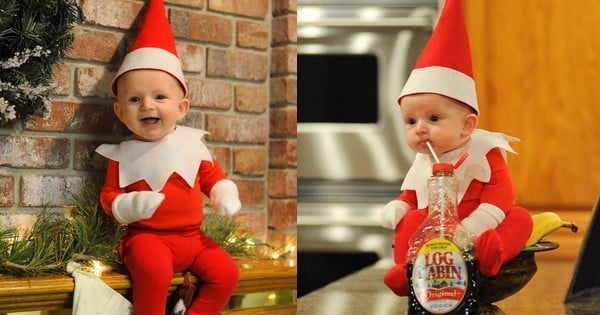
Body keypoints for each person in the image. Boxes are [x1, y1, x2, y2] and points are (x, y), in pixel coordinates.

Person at [379, 0, 533, 297]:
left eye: (433, 118)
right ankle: (406, 270)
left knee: (520, 219)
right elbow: (412, 194)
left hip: (477, 226)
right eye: (410, 121)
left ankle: (492, 256)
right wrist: (400, 205)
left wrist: (475, 227)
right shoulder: (422, 160)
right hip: (436, 233)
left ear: (467, 125)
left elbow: (502, 194)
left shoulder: (485, 152)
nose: (419, 128)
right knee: (409, 220)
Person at [95, 0, 240, 314]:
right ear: (120, 112)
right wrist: (125, 205)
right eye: (135, 99)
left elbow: (212, 177)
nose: (148, 105)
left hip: (193, 238)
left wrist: (222, 192)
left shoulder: (193, 145)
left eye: (160, 96)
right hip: (147, 238)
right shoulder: (122, 155)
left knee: (227, 273)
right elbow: (109, 196)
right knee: (154, 271)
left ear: (182, 107)